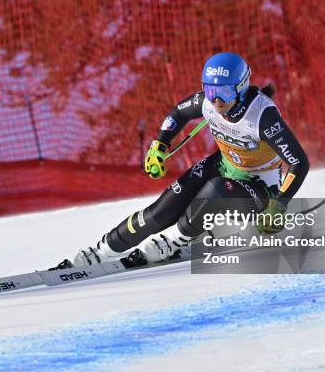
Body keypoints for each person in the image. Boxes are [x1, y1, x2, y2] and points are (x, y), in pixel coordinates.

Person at [52, 52, 309, 269]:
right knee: (159, 212)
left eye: (225, 93)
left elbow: (299, 162)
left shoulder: (261, 116)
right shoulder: (208, 103)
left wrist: (279, 204)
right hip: (224, 165)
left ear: (241, 88)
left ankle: (176, 238)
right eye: (210, 90)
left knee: (215, 190)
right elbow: (177, 113)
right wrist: (158, 147)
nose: (217, 100)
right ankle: (102, 251)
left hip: (259, 188)